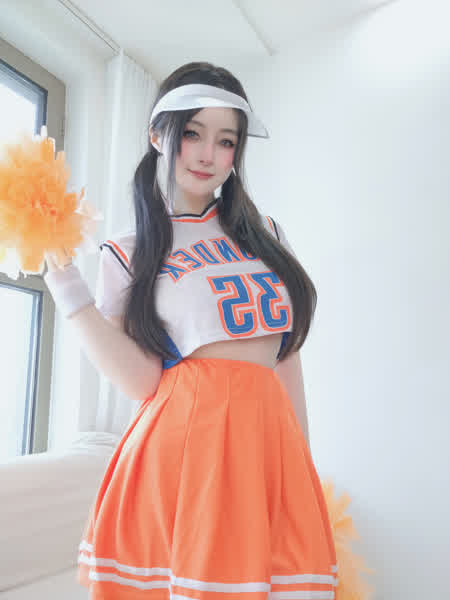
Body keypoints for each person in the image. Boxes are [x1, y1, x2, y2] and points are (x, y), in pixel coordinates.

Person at [44, 61, 338, 600]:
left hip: (266, 439)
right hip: (183, 449)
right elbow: (141, 381)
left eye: (226, 141)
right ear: (159, 135)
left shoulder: (267, 235)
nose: (207, 154)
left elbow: (286, 355)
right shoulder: (130, 249)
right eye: (193, 133)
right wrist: (66, 286)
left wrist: (301, 461)